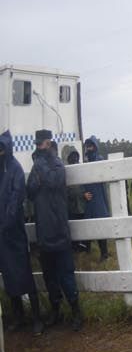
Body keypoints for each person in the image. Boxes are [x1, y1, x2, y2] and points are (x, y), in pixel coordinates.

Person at [27, 130, 84, 331]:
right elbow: (31, 190)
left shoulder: (58, 165)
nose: (37, 148)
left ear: (48, 144)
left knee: (66, 273)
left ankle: (76, 312)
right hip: (44, 229)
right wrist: (39, 168)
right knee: (49, 276)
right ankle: (56, 311)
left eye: (40, 144)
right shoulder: (38, 166)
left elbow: (52, 182)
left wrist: (41, 163)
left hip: (58, 229)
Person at [1, 130, 41, 335]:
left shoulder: (15, 169)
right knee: (8, 276)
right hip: (2, 236)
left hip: (14, 232)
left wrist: (5, 223)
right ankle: (18, 317)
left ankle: (37, 318)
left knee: (24, 273)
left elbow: (16, 199)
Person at [80, 137, 111, 261]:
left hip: (98, 197)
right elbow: (81, 181)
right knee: (88, 224)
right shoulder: (85, 162)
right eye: (87, 146)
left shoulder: (99, 160)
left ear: (95, 147)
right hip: (89, 199)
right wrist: (83, 193)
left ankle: (104, 253)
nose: (89, 148)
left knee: (100, 225)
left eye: (91, 146)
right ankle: (86, 250)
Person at [65, 150, 90, 252]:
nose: (74, 159)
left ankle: (86, 245)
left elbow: (86, 185)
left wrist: (85, 194)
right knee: (73, 226)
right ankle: (75, 246)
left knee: (84, 226)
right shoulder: (66, 170)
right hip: (71, 205)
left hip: (82, 204)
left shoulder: (81, 169)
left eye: (76, 157)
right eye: (72, 157)